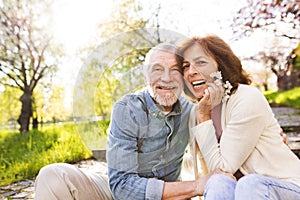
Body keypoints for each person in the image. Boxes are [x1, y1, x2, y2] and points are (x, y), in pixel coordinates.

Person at [34, 43, 234, 200]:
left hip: (171, 196)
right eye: (157, 69)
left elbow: (217, 153)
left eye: (174, 70)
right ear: (145, 76)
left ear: (183, 77)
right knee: (53, 176)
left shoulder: (192, 112)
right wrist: (196, 187)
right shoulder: (127, 109)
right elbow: (121, 185)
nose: (166, 78)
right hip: (119, 194)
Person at [177, 34, 300, 200]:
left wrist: (204, 116)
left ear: (221, 66)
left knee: (250, 183)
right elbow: (197, 169)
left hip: (284, 187)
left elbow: (222, 167)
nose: (191, 72)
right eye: (185, 66)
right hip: (239, 192)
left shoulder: (246, 97)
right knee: (218, 182)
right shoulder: (196, 112)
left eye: (201, 62)